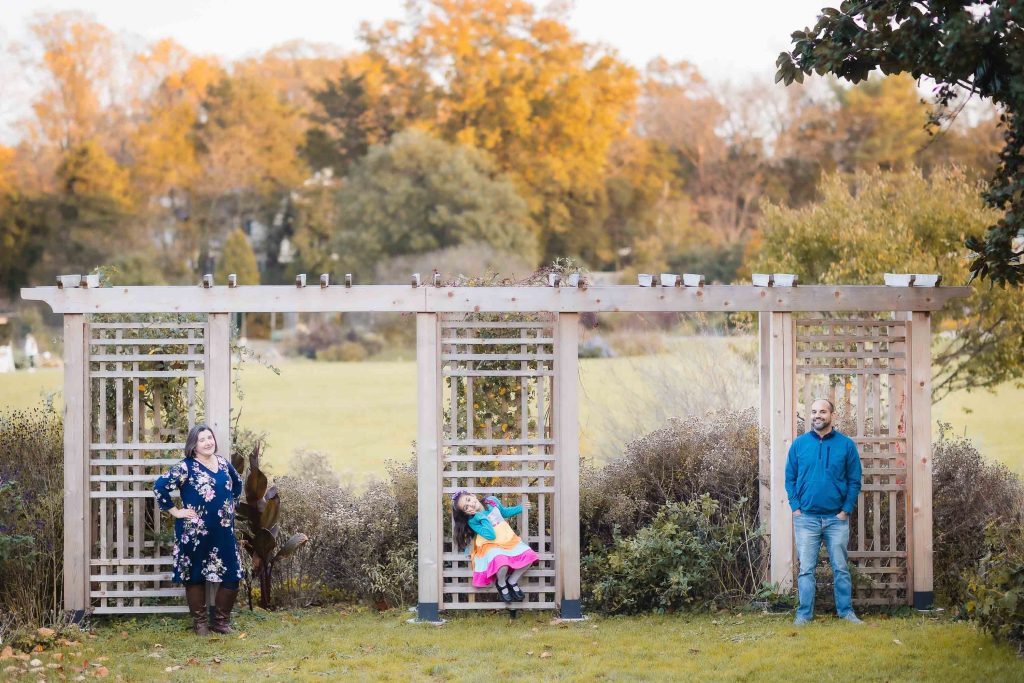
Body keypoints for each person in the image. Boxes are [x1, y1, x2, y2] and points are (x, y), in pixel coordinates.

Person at [154, 424, 244, 635]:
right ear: (193, 445)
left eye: (210, 438)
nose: (207, 442)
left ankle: (221, 622)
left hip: (223, 532)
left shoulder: (222, 463)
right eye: (202, 439)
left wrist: (230, 508)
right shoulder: (185, 467)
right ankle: (200, 623)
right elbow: (160, 487)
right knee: (195, 576)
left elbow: (237, 484)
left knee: (232, 575)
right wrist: (176, 512)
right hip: (194, 533)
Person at [785, 398, 864, 625]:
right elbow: (789, 478)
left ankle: (846, 612)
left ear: (832, 415)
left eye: (822, 411)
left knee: (840, 568)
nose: (817, 415)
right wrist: (795, 507)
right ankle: (804, 615)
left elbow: (854, 480)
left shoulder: (846, 445)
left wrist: (845, 510)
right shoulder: (799, 445)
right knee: (806, 570)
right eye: (813, 412)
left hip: (835, 519)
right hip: (806, 518)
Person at [452, 492, 538, 603]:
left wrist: (520, 508)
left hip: (507, 539)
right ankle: (501, 583)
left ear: (473, 495)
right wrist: (481, 516)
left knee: (529, 556)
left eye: (468, 500)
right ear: (466, 512)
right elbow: (490, 535)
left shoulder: (491, 501)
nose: (470, 505)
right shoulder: (473, 521)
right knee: (501, 562)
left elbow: (504, 512)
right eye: (466, 507)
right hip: (490, 545)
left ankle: (512, 580)